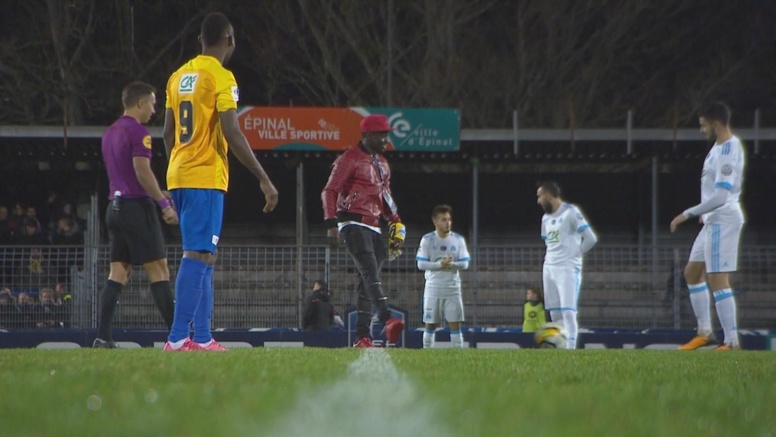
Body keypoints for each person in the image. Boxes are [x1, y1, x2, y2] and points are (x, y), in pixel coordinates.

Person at [163, 12, 279, 352]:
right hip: (205, 176)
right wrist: (264, 178)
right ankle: (177, 337)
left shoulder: (177, 76)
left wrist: (177, 167)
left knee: (205, 256)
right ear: (230, 40)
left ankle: (201, 337)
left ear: (200, 40)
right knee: (197, 253)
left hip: (180, 173)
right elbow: (232, 131)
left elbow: (168, 133)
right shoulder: (221, 77)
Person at [94, 81, 179, 348]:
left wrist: (158, 192)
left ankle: (103, 336)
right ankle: (178, 337)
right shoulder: (139, 132)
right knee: (159, 269)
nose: (154, 110)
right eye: (153, 103)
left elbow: (126, 175)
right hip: (135, 208)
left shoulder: (110, 132)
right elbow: (141, 171)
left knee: (118, 272)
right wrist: (163, 204)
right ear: (140, 103)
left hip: (114, 208)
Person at [321, 113, 406, 348]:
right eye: (381, 134)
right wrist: (331, 223)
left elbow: (385, 195)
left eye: (387, 134)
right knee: (370, 274)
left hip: (375, 226)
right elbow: (329, 191)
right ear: (367, 135)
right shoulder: (349, 158)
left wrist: (396, 221)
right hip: (353, 222)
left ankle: (362, 337)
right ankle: (388, 318)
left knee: (367, 282)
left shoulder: (383, 163)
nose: (386, 139)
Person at [670, 102, 745, 351]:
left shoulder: (728, 151)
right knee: (692, 273)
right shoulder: (717, 147)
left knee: (718, 280)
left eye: (703, 125)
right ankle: (705, 332)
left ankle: (732, 341)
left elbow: (722, 196)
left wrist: (687, 214)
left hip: (723, 219)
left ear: (715, 123)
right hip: (712, 220)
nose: (701, 130)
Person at [537, 181, 598, 349]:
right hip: (549, 267)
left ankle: (570, 349)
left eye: (540, 196)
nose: (538, 201)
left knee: (568, 312)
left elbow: (591, 238)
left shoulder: (571, 212)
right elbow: (549, 242)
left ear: (548, 196)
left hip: (567, 268)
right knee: (555, 312)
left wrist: (575, 255)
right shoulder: (545, 218)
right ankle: (560, 346)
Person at [416, 205, 470, 348]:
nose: (448, 223)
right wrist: (440, 265)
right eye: (444, 219)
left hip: (452, 288)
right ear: (435, 222)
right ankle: (427, 353)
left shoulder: (458, 240)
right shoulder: (427, 239)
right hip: (433, 288)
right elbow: (421, 264)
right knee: (430, 324)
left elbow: (465, 264)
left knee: (455, 324)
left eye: (449, 219)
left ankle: (457, 354)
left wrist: (450, 265)